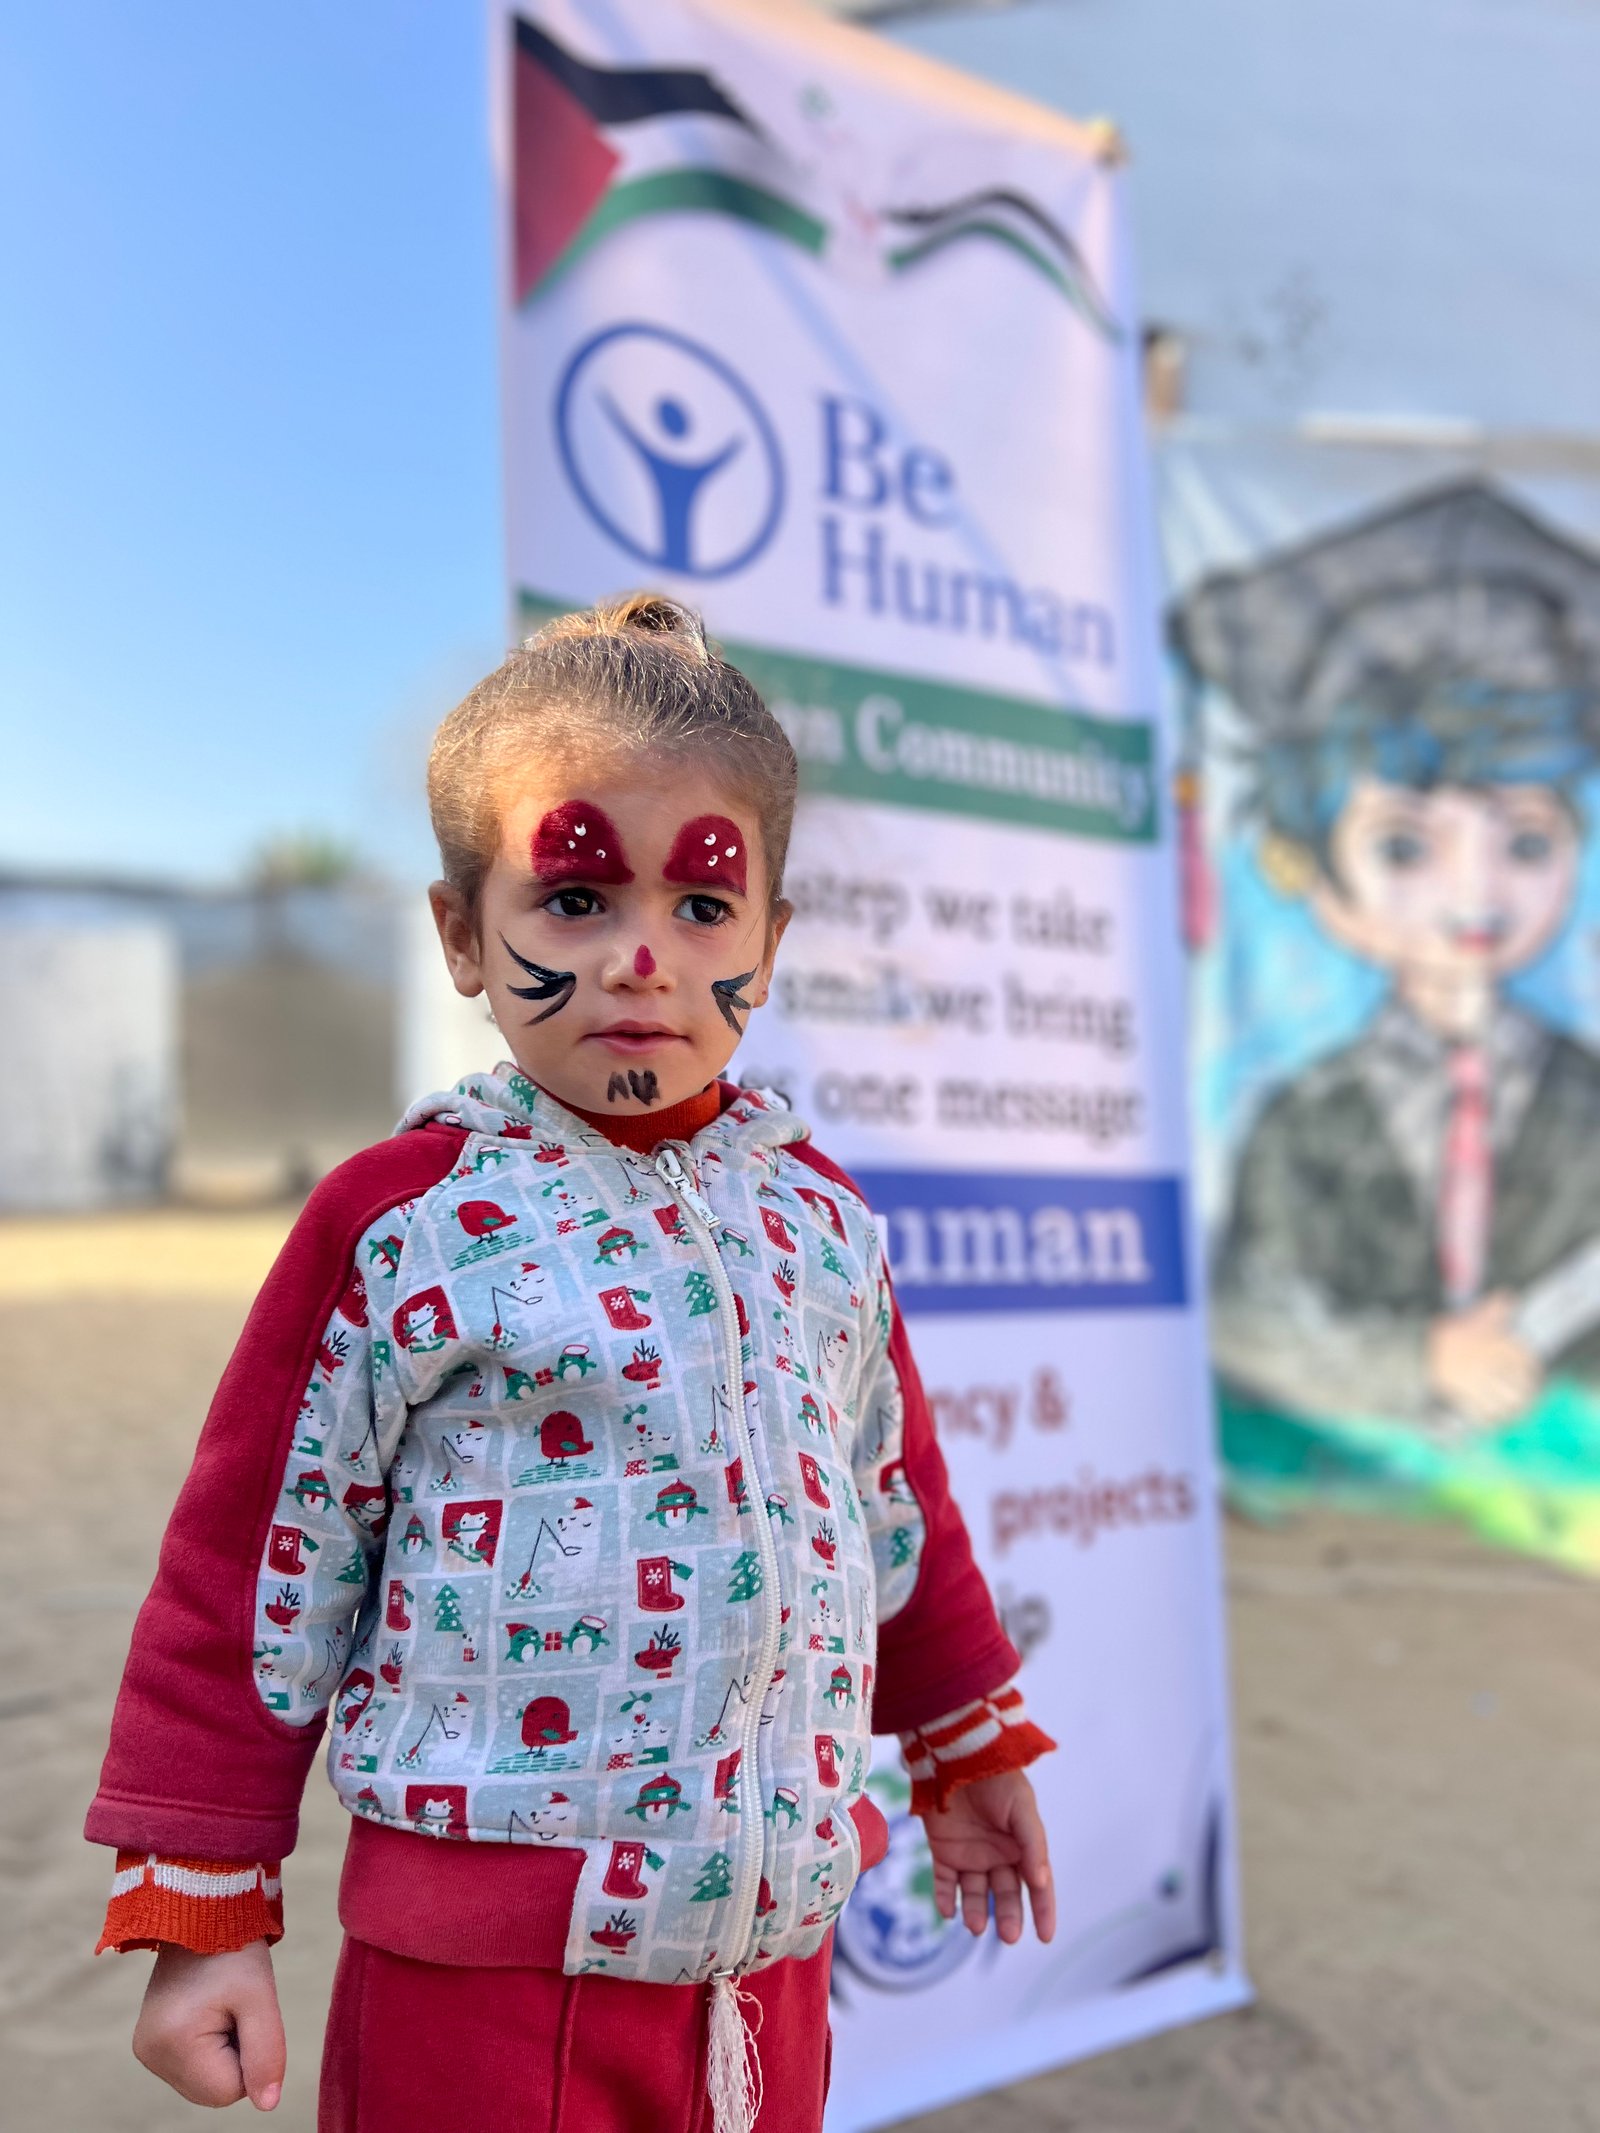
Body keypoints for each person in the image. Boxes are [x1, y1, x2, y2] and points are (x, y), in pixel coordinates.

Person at [87, 595, 1055, 2133]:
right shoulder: (405, 1222)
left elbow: (891, 1503)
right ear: (464, 935)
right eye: (577, 899)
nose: (643, 960)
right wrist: (204, 1902)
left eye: (706, 904)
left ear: (772, 941)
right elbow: (255, 1562)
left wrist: (963, 1738)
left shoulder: (823, 1221)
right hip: (477, 1991)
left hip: (768, 1968)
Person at [1175, 485, 1600, 1432]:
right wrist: (1420, 1361)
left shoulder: (1590, 1098)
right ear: (1320, 883)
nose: (1475, 894)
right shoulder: (1303, 1121)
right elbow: (1248, 1325)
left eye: (1527, 842)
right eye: (1405, 848)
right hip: (1345, 1500)